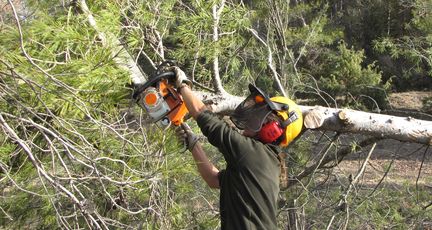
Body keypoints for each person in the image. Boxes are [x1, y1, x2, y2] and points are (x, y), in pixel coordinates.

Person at [173, 67, 303, 230]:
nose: (254, 115)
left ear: (274, 129)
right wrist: (194, 145)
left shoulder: (255, 154)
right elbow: (214, 180)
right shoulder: (265, 160)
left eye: (261, 113)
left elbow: (206, 119)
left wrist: (183, 85)